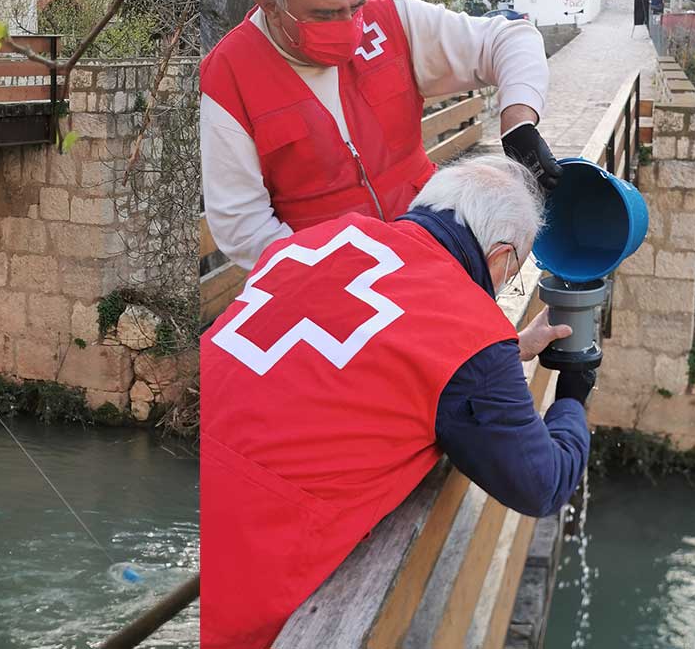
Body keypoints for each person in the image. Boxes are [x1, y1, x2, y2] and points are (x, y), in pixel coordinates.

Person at [200, 154, 594, 649]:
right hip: (263, 558)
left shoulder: (317, 241)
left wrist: (507, 350)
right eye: (512, 275)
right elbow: (542, 484)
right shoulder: (465, 327)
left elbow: (355, 349)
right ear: (498, 256)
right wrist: (572, 399)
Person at [201, 0, 562, 271]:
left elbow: (509, 38)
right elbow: (242, 225)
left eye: (354, 6)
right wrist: (326, 277)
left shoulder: (392, 21)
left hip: (429, 249)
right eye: (326, 15)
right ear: (269, 6)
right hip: (332, 281)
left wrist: (518, 121)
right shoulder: (228, 76)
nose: (348, 27)